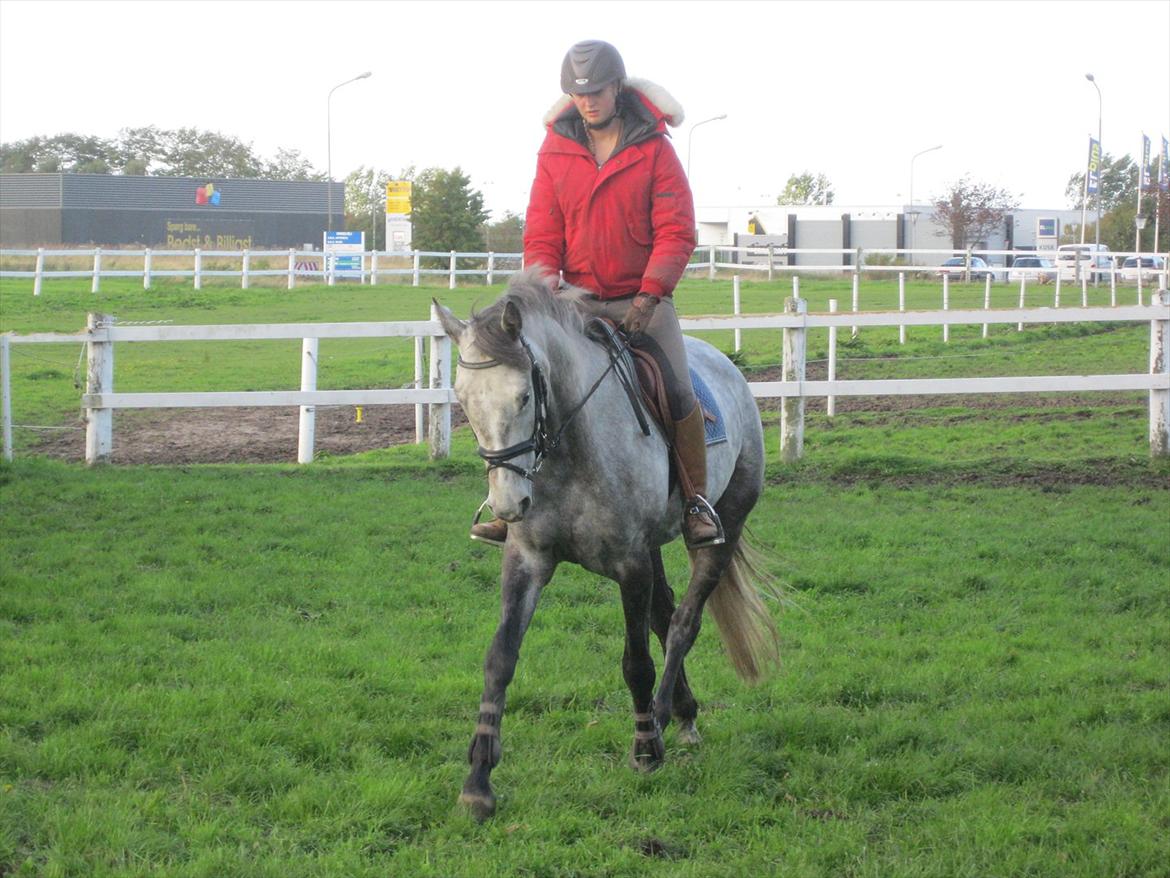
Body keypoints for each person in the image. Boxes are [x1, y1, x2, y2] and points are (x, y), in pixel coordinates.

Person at [470, 39, 723, 551]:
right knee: (527, 384)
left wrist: (649, 297)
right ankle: (505, 508)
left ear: (617, 89)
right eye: (578, 93)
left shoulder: (655, 149)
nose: (589, 101)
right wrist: (543, 295)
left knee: (676, 390)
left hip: (643, 302)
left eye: (598, 91)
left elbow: (676, 231)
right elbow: (542, 233)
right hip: (574, 303)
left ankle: (696, 501)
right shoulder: (555, 152)